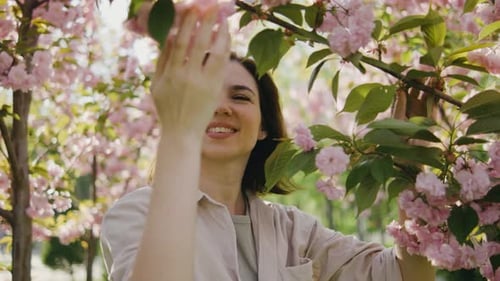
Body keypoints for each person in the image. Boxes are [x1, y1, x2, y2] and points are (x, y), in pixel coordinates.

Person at [100, 4, 435, 281]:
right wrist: (179, 131)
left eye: (241, 97)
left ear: (263, 126)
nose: (219, 107)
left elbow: (401, 275)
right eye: (204, 95)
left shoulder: (291, 230)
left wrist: (410, 165)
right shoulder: (137, 213)